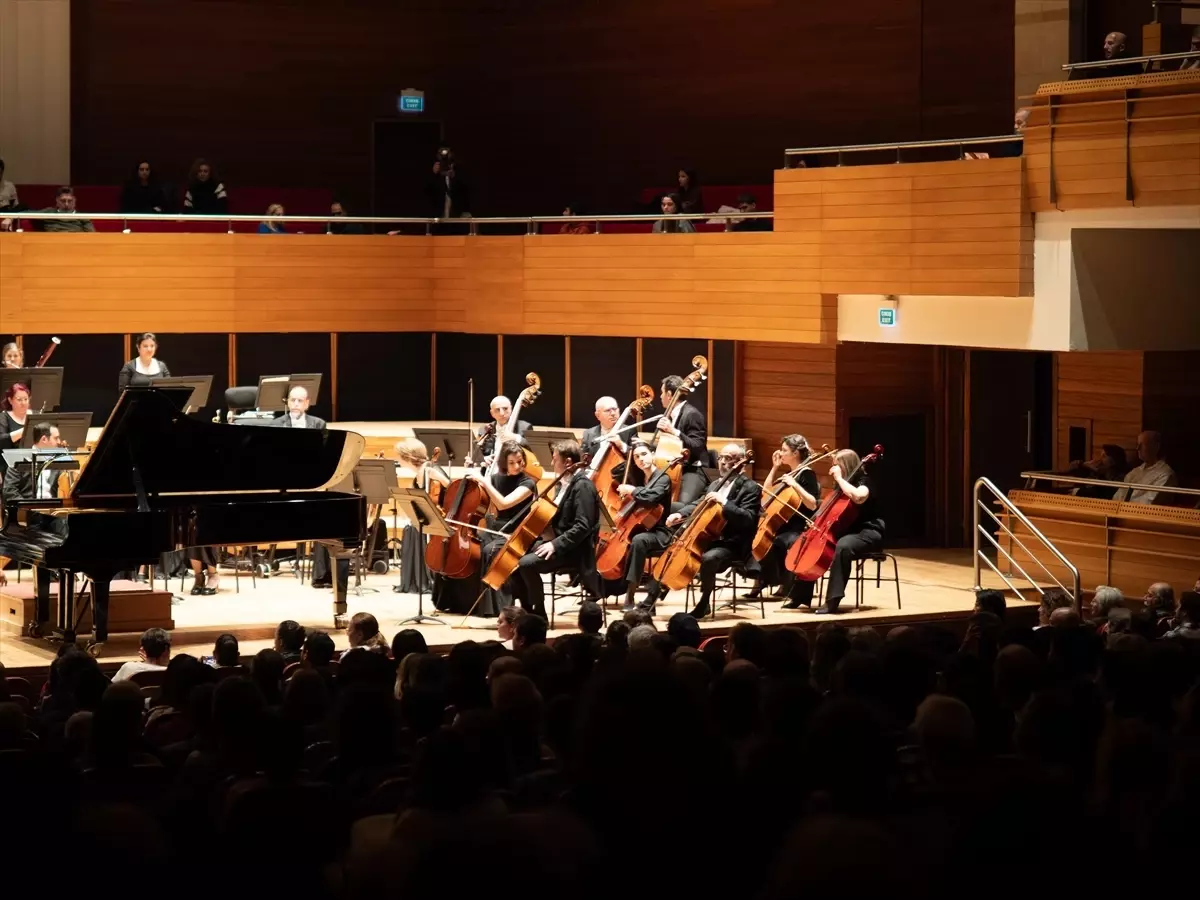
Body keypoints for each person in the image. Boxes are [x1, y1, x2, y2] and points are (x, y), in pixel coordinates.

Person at [649, 444, 761, 619]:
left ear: (741, 463)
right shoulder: (715, 484)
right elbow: (699, 503)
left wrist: (724, 502)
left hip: (732, 543)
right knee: (671, 550)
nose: (723, 463)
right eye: (721, 458)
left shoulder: (751, 487)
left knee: (708, 558)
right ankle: (651, 599)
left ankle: (705, 602)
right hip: (710, 539)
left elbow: (747, 519)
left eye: (728, 459)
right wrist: (679, 513)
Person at [514, 439, 602, 619]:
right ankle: (526, 608)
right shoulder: (564, 483)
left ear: (568, 462)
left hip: (574, 550)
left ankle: (538, 615)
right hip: (558, 541)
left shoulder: (583, 486)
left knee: (526, 564)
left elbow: (583, 526)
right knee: (514, 555)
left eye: (555, 459)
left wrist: (554, 544)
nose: (552, 463)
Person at [2, 422, 74, 635]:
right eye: (55, 438)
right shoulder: (19, 460)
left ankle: (66, 570)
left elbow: (73, 484)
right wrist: (33, 506)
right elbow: (9, 492)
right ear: (44, 440)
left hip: (52, 516)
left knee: (71, 530)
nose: (59, 442)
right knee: (46, 548)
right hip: (29, 518)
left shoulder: (56, 458)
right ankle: (43, 616)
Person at [804, 448, 885, 615]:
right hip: (848, 532)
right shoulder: (841, 486)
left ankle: (832, 601)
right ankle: (800, 596)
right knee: (810, 544)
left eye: (836, 465)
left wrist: (840, 479)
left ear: (846, 466)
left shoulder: (864, 481)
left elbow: (858, 497)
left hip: (868, 532)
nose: (832, 470)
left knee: (843, 546)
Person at [466, 440, 537, 617]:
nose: (517, 466)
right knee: (473, 550)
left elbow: (504, 504)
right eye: (511, 463)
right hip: (496, 529)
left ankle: (500, 609)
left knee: (491, 551)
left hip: (517, 532)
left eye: (520, 461)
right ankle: (471, 604)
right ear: (503, 463)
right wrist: (473, 473)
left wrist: (484, 481)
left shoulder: (528, 483)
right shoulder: (496, 479)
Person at [755, 435, 820, 604]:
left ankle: (784, 584)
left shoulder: (807, 474)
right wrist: (774, 468)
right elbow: (766, 495)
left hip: (798, 527)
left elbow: (812, 504)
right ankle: (766, 581)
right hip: (782, 525)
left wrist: (795, 484)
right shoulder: (790, 473)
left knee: (780, 542)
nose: (780, 454)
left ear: (796, 453)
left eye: (785, 451)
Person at [617, 440, 676, 611]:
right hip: (644, 528)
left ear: (652, 455)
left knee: (639, 541)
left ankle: (630, 594)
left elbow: (651, 497)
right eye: (636, 457)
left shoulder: (663, 477)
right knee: (633, 540)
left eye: (644, 454)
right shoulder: (640, 478)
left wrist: (632, 490)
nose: (641, 459)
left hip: (662, 532)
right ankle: (614, 586)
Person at [393, 437, 447, 595]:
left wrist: (438, 477)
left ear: (408, 458)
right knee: (410, 529)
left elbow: (451, 486)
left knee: (414, 529)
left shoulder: (430, 469)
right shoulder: (418, 473)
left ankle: (423, 578)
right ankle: (414, 580)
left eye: (400, 457)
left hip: (438, 518)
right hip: (425, 517)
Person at [655, 374, 709, 504]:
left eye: (662, 393)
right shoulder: (670, 416)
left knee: (680, 505)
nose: (660, 396)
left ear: (669, 394)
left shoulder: (692, 414)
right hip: (674, 469)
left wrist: (674, 431)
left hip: (694, 470)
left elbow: (697, 446)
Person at [1114, 431, 1177, 504]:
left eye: (1142, 445)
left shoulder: (1166, 475)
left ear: (1156, 447)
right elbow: (1116, 498)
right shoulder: (1135, 472)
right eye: (1137, 445)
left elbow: (1149, 502)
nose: (1137, 448)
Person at [478, 395, 531, 461]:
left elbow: (533, 450)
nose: (502, 413)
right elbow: (478, 454)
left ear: (511, 409)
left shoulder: (524, 427)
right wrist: (484, 459)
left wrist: (516, 438)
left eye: (505, 409)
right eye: (497, 410)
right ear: (492, 413)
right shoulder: (484, 429)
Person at [426, 146, 470, 220]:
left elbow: (465, 193)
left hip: (456, 218)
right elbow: (428, 192)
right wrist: (434, 174)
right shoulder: (434, 176)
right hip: (438, 219)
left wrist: (454, 177)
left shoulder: (459, 173)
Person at [0, 382, 32, 480]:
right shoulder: (3, 417)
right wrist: (25, 430)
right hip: (10, 468)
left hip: (32, 465)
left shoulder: (35, 415)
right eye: (19, 400)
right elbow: (1, 440)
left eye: (26, 399)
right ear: (10, 400)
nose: (23, 403)